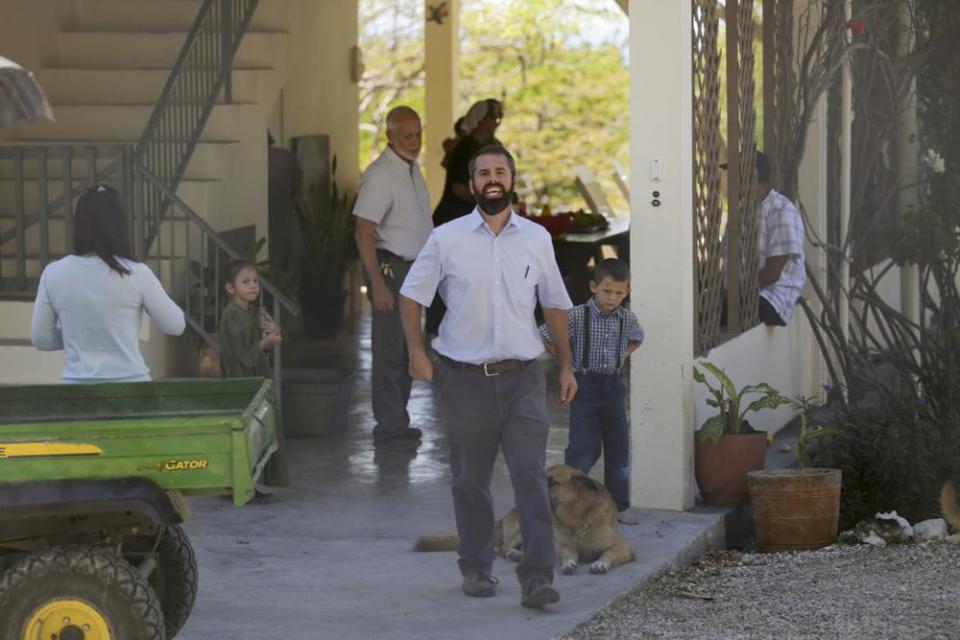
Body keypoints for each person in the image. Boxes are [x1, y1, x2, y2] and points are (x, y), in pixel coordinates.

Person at [399, 144, 577, 609]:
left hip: (523, 379)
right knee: (470, 481)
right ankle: (476, 567)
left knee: (530, 477)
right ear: (473, 184)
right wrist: (417, 352)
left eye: (500, 171)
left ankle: (537, 577)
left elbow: (554, 303)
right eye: (483, 173)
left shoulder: (537, 238)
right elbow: (411, 295)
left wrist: (565, 363)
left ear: (513, 180)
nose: (492, 178)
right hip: (464, 380)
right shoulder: (446, 238)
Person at [31, 184, 185, 382]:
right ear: (120, 225)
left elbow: (41, 339)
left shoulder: (53, 273)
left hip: (76, 389)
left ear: (78, 225)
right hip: (131, 387)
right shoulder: (137, 273)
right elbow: (175, 325)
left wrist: (80, 337)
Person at [539, 258, 645, 525]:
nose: (612, 298)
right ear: (593, 287)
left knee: (618, 448)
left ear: (627, 292)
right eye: (607, 291)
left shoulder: (627, 318)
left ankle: (619, 505)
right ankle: (569, 504)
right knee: (583, 449)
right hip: (584, 385)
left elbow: (638, 338)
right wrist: (566, 361)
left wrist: (623, 355)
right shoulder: (576, 315)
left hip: (613, 387)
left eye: (619, 293)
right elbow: (544, 333)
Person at [353, 105, 433, 452]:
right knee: (389, 352)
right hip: (391, 270)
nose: (414, 142)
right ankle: (388, 428)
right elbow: (363, 230)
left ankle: (398, 422)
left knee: (406, 349)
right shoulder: (381, 174)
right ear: (389, 136)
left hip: (414, 271)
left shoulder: (411, 168)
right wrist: (377, 284)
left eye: (417, 135)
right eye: (406, 136)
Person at [426, 98, 504, 334]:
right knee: (450, 280)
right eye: (494, 118)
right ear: (481, 120)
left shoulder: (487, 146)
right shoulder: (468, 147)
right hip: (452, 220)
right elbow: (459, 188)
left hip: (469, 224)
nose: (497, 123)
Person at [721, 151, 806, 326]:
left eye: (735, 175)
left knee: (711, 316)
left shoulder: (781, 210)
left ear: (753, 175)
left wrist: (734, 296)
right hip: (746, 296)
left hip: (772, 299)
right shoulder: (743, 213)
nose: (730, 182)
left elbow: (773, 273)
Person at [218, 259, 282, 379]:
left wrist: (272, 331)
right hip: (242, 382)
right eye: (245, 281)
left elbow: (257, 344)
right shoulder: (233, 314)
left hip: (254, 378)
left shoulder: (252, 312)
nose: (253, 285)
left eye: (255, 281)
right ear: (231, 288)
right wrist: (265, 343)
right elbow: (243, 355)